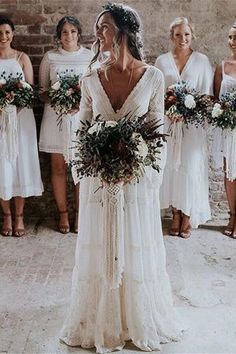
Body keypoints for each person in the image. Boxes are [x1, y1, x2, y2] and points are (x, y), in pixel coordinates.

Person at [60, 3, 183, 353]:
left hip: (137, 179)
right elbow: (82, 130)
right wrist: (89, 164)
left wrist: (143, 168)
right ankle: (102, 317)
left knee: (134, 243)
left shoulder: (154, 77)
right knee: (101, 245)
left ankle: (136, 316)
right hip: (99, 180)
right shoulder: (89, 78)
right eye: (97, 27)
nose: (97, 33)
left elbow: (157, 130)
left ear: (125, 30)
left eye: (105, 27)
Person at [155, 17, 213, 238]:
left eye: (186, 34)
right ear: (172, 36)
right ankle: (175, 214)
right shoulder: (161, 61)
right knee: (171, 166)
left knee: (189, 167)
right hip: (169, 125)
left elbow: (207, 95)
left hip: (192, 127)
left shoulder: (201, 61)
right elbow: (157, 95)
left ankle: (187, 215)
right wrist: (169, 108)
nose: (182, 38)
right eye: (178, 34)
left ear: (192, 35)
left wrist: (189, 110)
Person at [39, 16, 93, 234]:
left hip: (81, 120)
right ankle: (63, 215)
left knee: (80, 169)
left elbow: (95, 92)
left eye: (72, 31)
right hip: (55, 119)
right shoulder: (50, 58)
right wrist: (59, 98)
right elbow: (42, 92)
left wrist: (77, 102)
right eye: (64, 32)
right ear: (58, 36)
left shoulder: (89, 57)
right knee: (58, 167)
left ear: (78, 33)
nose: (68, 36)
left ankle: (80, 214)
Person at [0, 16, 43, 237]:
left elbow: (31, 90)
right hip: (0, 119)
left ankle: (19, 217)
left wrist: (15, 105)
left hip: (21, 118)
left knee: (20, 163)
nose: (3, 37)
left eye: (7, 32)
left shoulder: (22, 57)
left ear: (13, 34)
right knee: (2, 165)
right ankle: (6, 217)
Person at [213, 22, 236, 238]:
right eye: (230, 37)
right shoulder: (222, 66)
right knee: (230, 174)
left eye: (235, 38)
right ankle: (232, 215)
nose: (232, 42)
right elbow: (216, 100)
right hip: (230, 128)